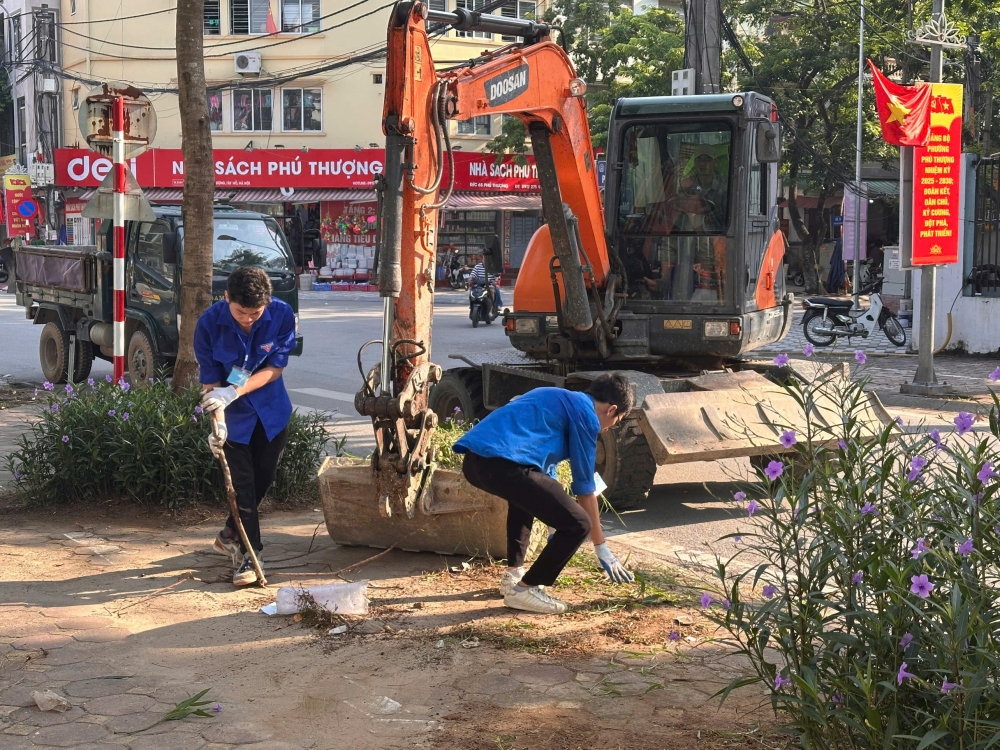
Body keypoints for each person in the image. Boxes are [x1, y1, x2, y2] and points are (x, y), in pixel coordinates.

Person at [455, 373, 636, 615]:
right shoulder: (586, 416)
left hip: (476, 462)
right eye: (619, 419)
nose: (609, 427)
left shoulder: (555, 395)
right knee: (579, 523)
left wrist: (553, 521)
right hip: (505, 465)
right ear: (612, 409)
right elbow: (584, 488)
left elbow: (543, 474)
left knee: (525, 499)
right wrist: (601, 546)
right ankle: (524, 591)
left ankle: (514, 575)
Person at [195, 266, 297, 586]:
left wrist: (235, 390)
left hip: (271, 413)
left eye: (255, 313)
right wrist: (218, 426)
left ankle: (229, 532)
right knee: (243, 488)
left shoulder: (281, 315)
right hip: (234, 420)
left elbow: (274, 370)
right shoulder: (208, 326)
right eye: (241, 312)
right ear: (226, 298)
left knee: (262, 482)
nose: (248, 319)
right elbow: (211, 386)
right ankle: (249, 557)